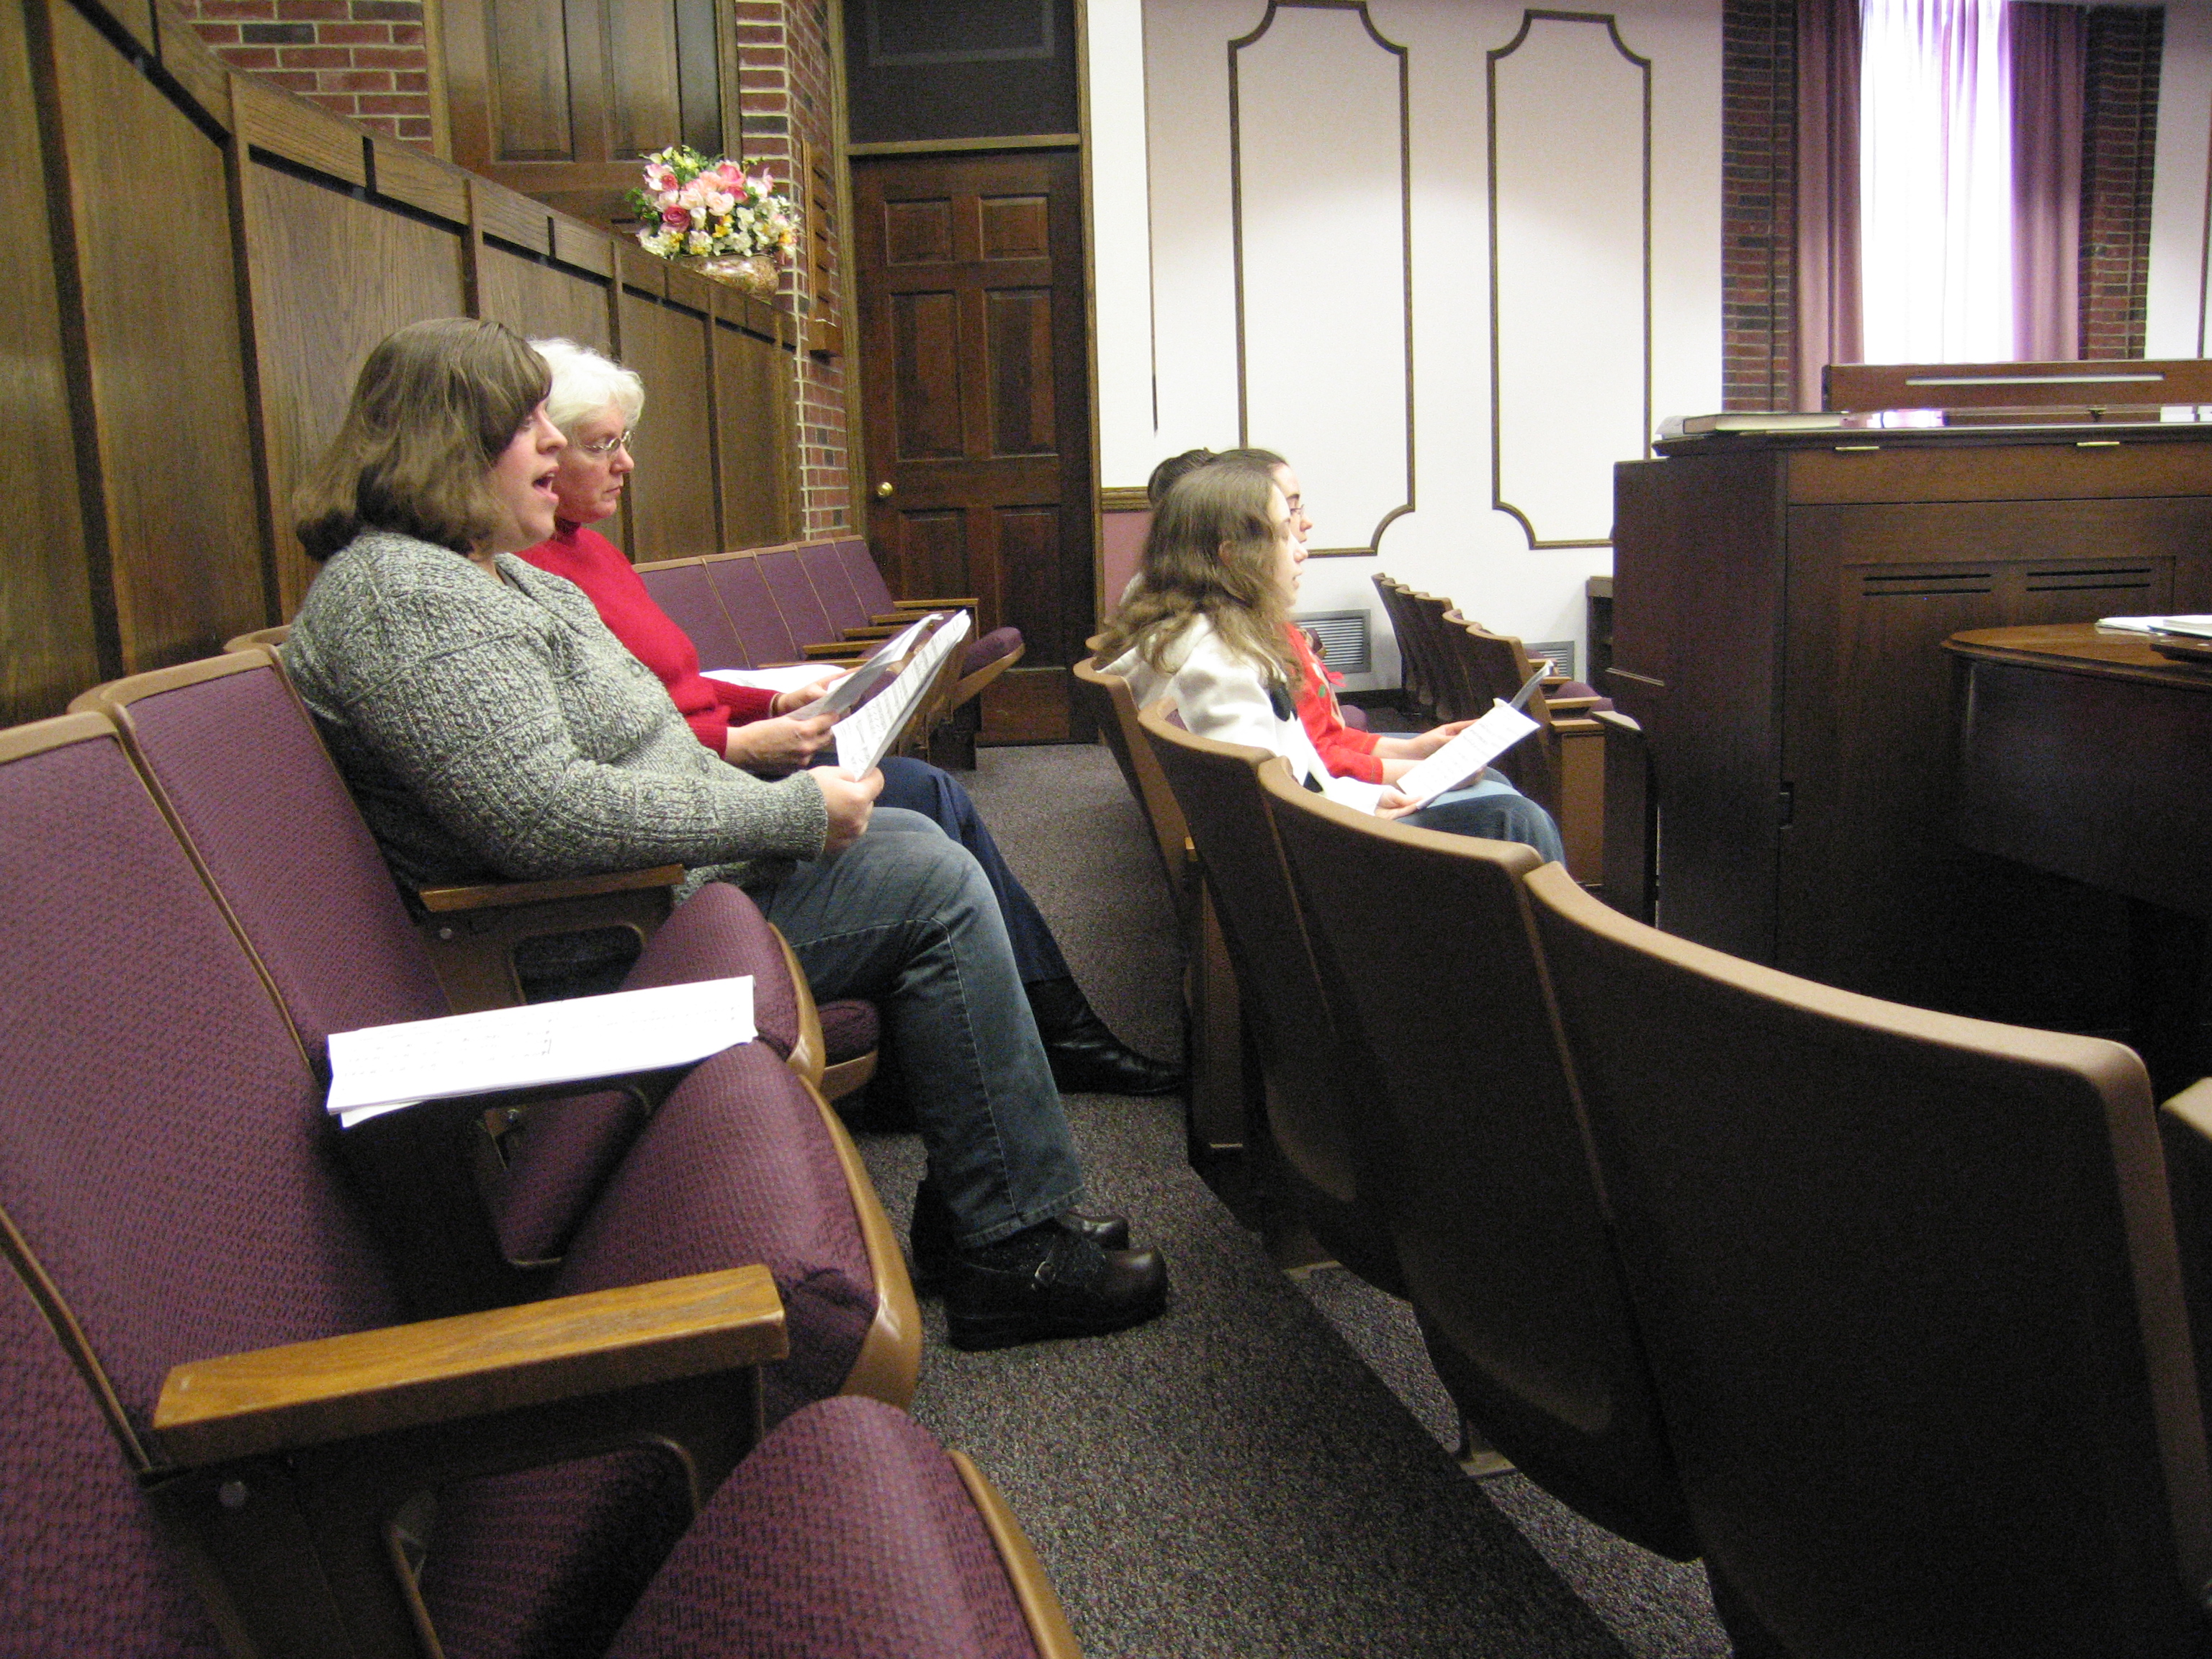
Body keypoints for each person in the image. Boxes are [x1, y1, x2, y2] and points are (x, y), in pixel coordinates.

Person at [281, 317, 1167, 1351]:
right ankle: (1007, 1244)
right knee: (929, 881)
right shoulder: (403, 595)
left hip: (660, 887)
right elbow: (540, 814)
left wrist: (774, 792)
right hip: (583, 935)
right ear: (449, 445)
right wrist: (790, 814)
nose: (556, 445)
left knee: (915, 840)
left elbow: (643, 751)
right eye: (528, 426)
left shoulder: (498, 576)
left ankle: (989, 1208)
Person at [513, 337, 1179, 1098]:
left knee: (928, 798)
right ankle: (1039, 1034)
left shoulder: (592, 552)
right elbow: (621, 737)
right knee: (926, 804)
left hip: (724, 751)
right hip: (704, 783)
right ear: (545, 450)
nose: (626, 463)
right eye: (602, 446)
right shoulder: (529, 573)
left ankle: (1041, 1025)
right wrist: (738, 741)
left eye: (622, 441)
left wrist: (771, 701)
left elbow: (674, 681)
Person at [1104, 462, 1565, 858]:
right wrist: (1370, 804)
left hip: (1314, 830)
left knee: (1504, 808)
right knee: (1516, 820)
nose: (1300, 550)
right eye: (1283, 534)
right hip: (1316, 866)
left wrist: (1371, 798)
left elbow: (1294, 777)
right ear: (1233, 557)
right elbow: (1263, 814)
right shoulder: (1219, 662)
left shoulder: (1202, 636)